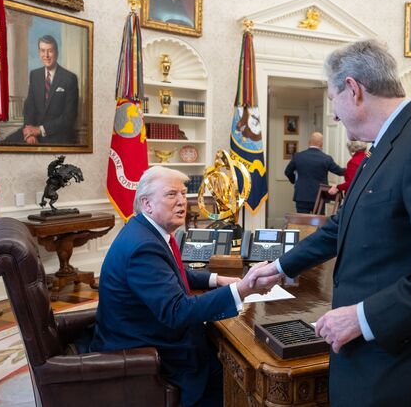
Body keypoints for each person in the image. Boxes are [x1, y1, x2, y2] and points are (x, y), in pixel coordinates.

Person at [249, 39, 411, 406]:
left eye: (332, 99)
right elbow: (342, 224)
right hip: (373, 355)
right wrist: (280, 267)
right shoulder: (385, 144)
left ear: (353, 89)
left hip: (405, 364)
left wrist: (362, 317)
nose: (333, 115)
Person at [90, 167, 279, 407]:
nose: (182, 201)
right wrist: (243, 289)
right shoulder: (143, 248)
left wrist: (216, 279)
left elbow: (173, 272)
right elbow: (177, 311)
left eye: (183, 193)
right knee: (239, 371)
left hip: (146, 334)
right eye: (171, 194)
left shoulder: (144, 230)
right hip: (149, 351)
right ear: (147, 204)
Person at [20, 35, 78, 145]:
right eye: (43, 51)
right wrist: (29, 133)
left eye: (50, 51)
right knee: (4, 142)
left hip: (58, 136)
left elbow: (69, 117)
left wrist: (40, 130)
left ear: (57, 53)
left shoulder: (69, 78)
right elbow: (29, 108)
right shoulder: (34, 75)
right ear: (39, 53)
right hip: (33, 133)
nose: (46, 55)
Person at [284, 132, 345, 213]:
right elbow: (340, 172)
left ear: (309, 142)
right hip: (319, 196)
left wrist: (295, 181)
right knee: (317, 220)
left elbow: (287, 172)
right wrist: (354, 167)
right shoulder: (326, 158)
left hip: (302, 195)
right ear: (321, 144)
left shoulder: (298, 156)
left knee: (302, 220)